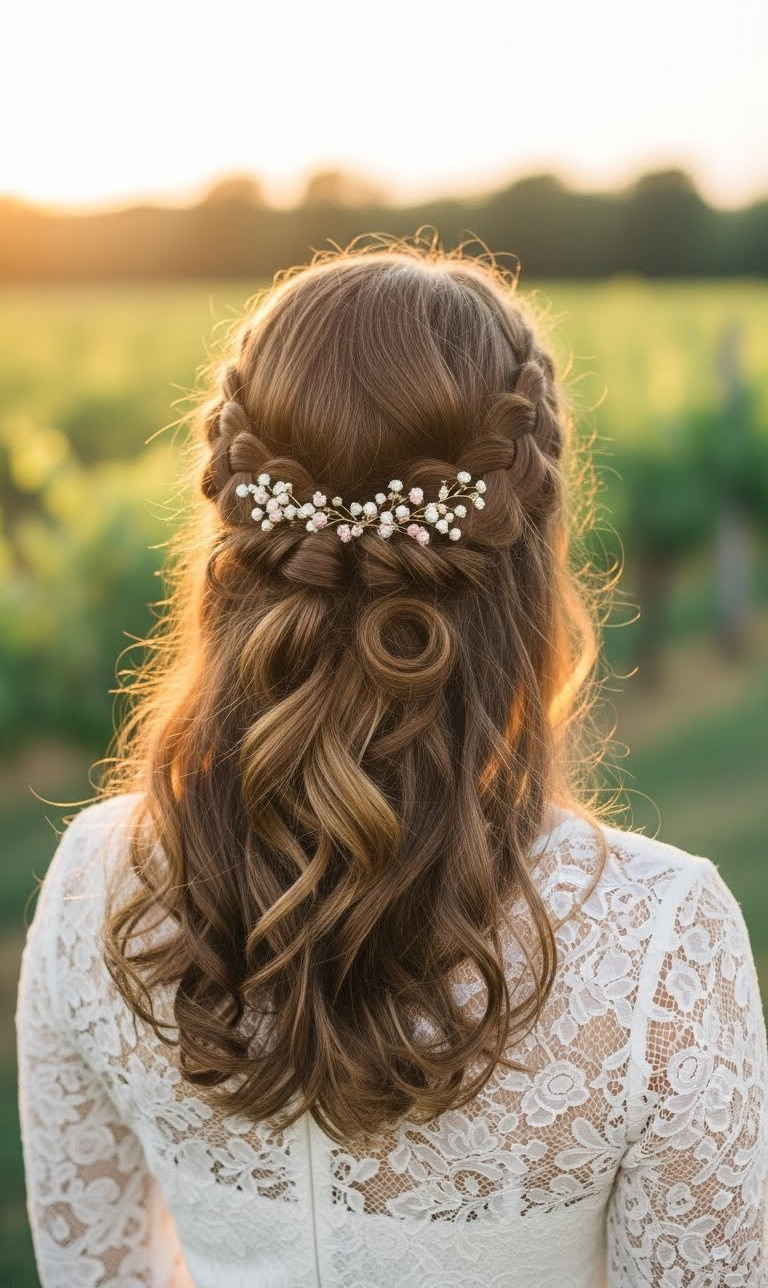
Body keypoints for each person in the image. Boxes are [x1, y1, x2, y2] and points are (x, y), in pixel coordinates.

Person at [16, 239, 767, 1287]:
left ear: (238, 532)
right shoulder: (658, 942)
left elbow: (94, 1269)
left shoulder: (101, 882)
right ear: (528, 548)